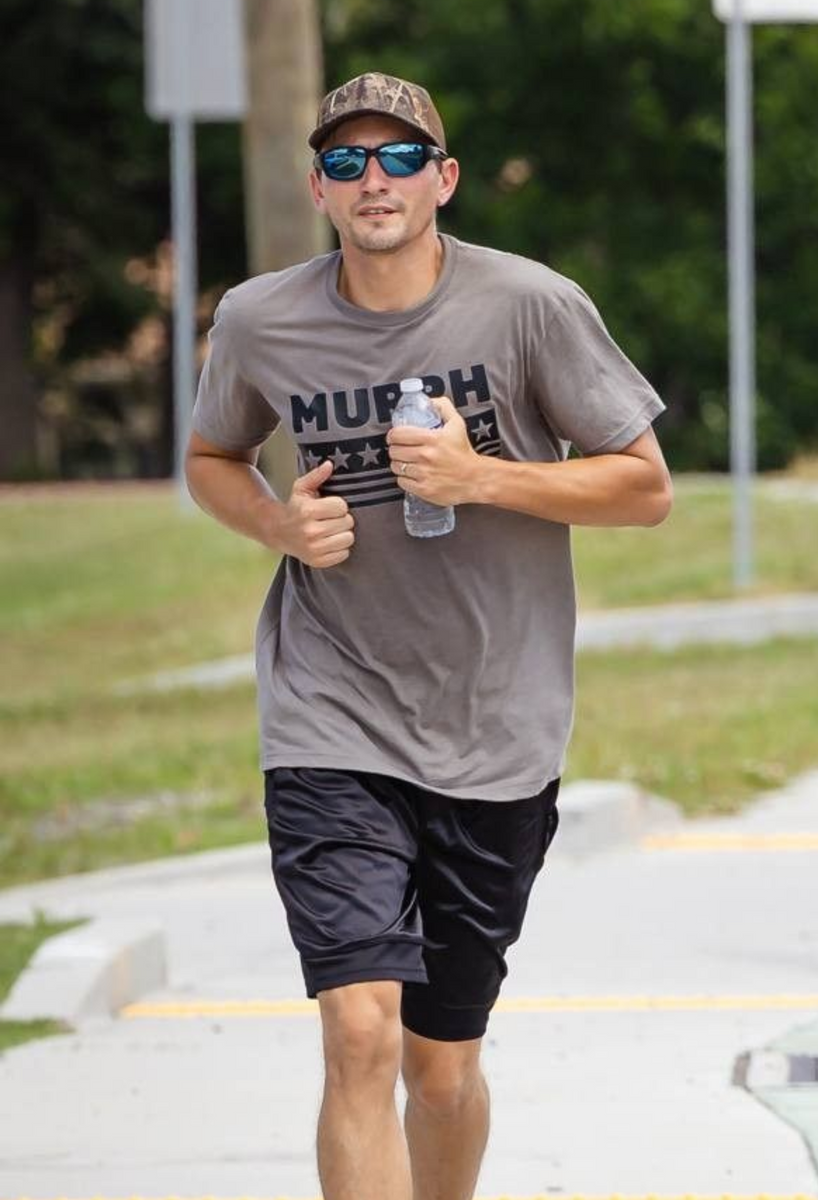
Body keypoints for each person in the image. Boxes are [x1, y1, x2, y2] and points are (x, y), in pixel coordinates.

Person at [184, 72, 672, 1200]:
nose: (375, 179)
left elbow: (645, 488)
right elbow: (212, 456)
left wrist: (481, 477)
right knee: (358, 1033)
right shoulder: (260, 318)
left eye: (400, 157)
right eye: (347, 160)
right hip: (330, 710)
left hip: (496, 729)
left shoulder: (531, 306)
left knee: (440, 1071)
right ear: (318, 186)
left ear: (442, 180)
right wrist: (276, 525)